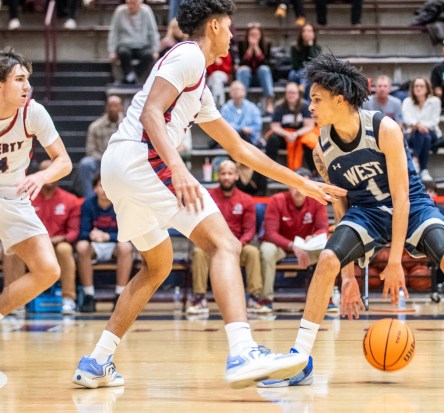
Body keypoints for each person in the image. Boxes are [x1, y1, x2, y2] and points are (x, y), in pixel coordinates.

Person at [71, 0, 345, 390]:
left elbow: (240, 150)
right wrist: (179, 169)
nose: (233, 35)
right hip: (142, 159)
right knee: (224, 245)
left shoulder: (199, 86)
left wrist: (300, 182)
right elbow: (151, 113)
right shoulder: (188, 56)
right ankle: (242, 349)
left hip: (121, 167)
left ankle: (97, 361)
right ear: (214, 26)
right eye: (230, 27)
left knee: (157, 266)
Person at [258, 54, 444, 388]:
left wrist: (394, 260)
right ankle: (300, 360)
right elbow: (340, 204)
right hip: (366, 211)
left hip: (411, 205)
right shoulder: (322, 147)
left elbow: (402, 197)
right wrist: (347, 276)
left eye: (317, 99)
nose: (311, 107)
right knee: (329, 259)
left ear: (340, 99)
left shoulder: (384, 128)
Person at [0, 48, 73, 323]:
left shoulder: (33, 113)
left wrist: (41, 177)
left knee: (47, 270)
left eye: (28, 79)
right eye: (19, 79)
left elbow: (63, 161)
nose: (27, 86)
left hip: (15, 196)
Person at [188, 160, 269, 315]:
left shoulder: (246, 200)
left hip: (237, 247)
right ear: (218, 175)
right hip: (211, 246)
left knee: (253, 252)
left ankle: (254, 298)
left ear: (237, 176)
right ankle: (200, 299)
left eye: (230, 173)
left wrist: (238, 245)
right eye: (223, 173)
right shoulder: (208, 196)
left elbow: (249, 230)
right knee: (198, 253)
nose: (226, 177)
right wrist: (212, 243)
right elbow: (201, 224)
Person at [259, 168, 329, 308]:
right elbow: (270, 233)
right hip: (282, 246)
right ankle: (266, 300)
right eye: (295, 185)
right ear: (288, 185)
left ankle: (328, 300)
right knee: (266, 250)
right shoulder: (277, 200)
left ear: (310, 186)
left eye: (302, 185)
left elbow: (323, 228)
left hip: (307, 248)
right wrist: (292, 245)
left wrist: (313, 236)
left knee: (328, 253)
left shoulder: (317, 201)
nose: (298, 190)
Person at [76, 174, 133, 313]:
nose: (105, 190)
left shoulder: (121, 204)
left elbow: (128, 233)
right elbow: (82, 233)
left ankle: (120, 294)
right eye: (101, 186)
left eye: (109, 186)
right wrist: (93, 235)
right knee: (81, 246)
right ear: (95, 188)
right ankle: (89, 295)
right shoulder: (88, 204)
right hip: (94, 245)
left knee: (126, 247)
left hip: (114, 244)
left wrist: (106, 236)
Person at [31, 160, 81, 315]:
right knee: (11, 251)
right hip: (34, 244)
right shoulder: (28, 198)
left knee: (65, 249)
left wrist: (62, 238)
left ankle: (68, 300)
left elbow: (74, 232)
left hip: (58, 243)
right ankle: (13, 302)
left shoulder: (70, 200)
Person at [74, 95, 124, 198]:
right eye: (110, 105)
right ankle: (90, 200)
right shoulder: (95, 126)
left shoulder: (128, 125)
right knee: (85, 164)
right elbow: (91, 150)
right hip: (101, 160)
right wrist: (106, 159)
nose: (113, 108)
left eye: (116, 105)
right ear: (106, 107)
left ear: (121, 107)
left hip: (123, 160)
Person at [266, 82, 318, 172]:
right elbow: (275, 126)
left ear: (298, 94)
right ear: (285, 94)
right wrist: (287, 134)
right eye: (289, 93)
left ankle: (314, 171)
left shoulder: (305, 106)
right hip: (284, 135)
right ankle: (270, 169)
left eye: (293, 93)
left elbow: (309, 126)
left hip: (301, 134)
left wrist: (296, 134)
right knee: (272, 139)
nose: (291, 95)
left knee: (309, 142)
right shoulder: (279, 106)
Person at [108, 0, 160, 84]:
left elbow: (153, 31)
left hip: (142, 45)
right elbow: (114, 32)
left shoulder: (146, 11)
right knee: (123, 52)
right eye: (128, 3)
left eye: (133, 3)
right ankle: (130, 76)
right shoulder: (119, 11)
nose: (131, 6)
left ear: (140, 2)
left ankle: (131, 76)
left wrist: (155, 49)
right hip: (125, 44)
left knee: (149, 55)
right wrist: (112, 51)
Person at [402, 76, 441, 182]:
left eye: (421, 86)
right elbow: (406, 119)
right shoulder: (407, 101)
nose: (418, 88)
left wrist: (419, 125)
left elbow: (434, 121)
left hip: (431, 132)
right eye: (416, 86)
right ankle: (424, 170)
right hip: (413, 134)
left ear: (427, 89)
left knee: (426, 135)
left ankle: (414, 160)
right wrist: (418, 126)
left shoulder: (435, 101)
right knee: (425, 137)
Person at [236, 22, 275, 114]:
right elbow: (241, 63)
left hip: (261, 77)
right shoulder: (242, 44)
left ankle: (269, 102)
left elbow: (267, 64)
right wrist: (250, 49)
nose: (254, 37)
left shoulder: (267, 44)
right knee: (243, 69)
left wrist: (256, 48)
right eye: (251, 35)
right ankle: (240, 102)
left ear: (261, 35)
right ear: (247, 35)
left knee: (264, 69)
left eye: (256, 35)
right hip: (246, 77)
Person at [220, 81, 263, 147]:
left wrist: (249, 129)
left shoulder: (252, 107)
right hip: (231, 139)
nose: (236, 91)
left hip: (250, 138)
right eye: (233, 89)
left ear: (244, 92)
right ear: (230, 93)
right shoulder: (225, 109)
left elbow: (257, 125)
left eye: (238, 89)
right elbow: (224, 125)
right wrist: (241, 129)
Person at [288, 23, 322, 97]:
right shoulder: (295, 47)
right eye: (304, 31)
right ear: (301, 34)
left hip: (310, 74)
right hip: (296, 73)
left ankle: (303, 87)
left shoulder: (317, 48)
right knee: (302, 72)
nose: (307, 33)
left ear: (313, 34)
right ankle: (302, 86)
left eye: (309, 31)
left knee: (310, 76)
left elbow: (315, 64)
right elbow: (295, 65)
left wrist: (310, 47)